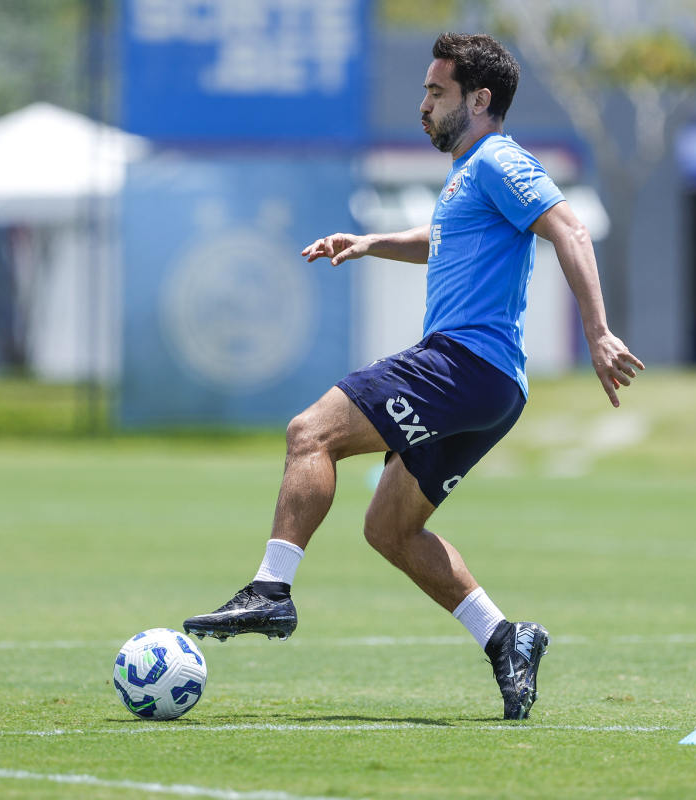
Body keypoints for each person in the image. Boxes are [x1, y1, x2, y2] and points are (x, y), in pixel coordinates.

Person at [184, 32, 643, 721]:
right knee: (389, 527)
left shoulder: (498, 160)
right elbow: (446, 241)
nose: (422, 103)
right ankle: (506, 637)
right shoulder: (469, 175)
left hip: (462, 362)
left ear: (479, 100)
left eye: (436, 92)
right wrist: (370, 243)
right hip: (492, 387)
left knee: (310, 432)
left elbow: (570, 227)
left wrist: (598, 332)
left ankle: (270, 589)